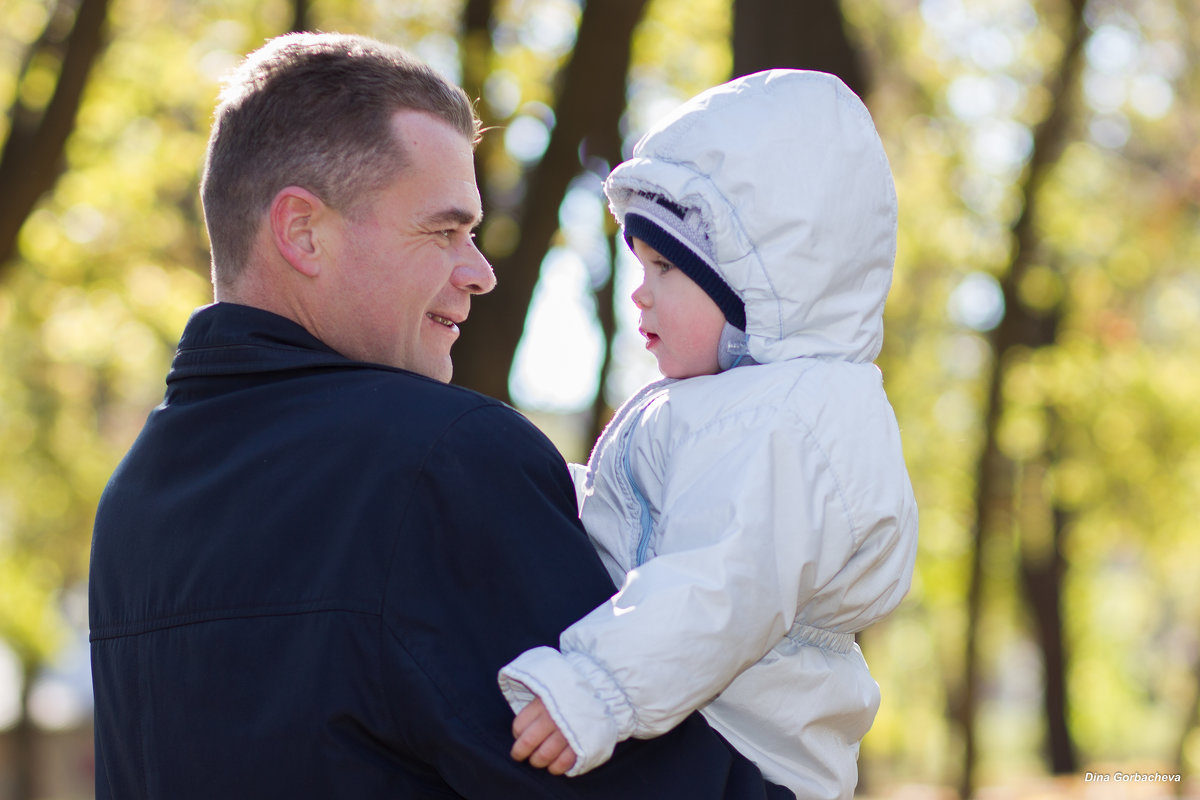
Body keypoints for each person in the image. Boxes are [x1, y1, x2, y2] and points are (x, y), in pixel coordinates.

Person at [88, 33, 794, 799]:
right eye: (444, 230)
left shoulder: (134, 500)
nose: (481, 271)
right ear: (301, 231)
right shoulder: (437, 461)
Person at [498, 69, 920, 800]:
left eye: (665, 266)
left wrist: (594, 689)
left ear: (759, 288)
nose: (639, 289)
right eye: (638, 263)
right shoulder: (734, 405)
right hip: (701, 734)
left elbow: (721, 585)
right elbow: (637, 522)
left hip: (750, 762)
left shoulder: (784, 422)